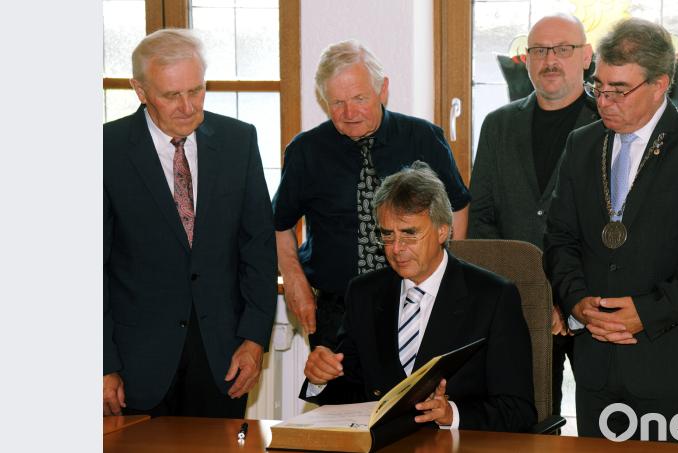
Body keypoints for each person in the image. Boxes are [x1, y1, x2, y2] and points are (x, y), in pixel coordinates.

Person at [103, 29, 277, 418]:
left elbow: (259, 248)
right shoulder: (106, 150)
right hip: (135, 362)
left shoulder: (238, 141)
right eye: (171, 95)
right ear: (140, 90)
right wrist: (102, 363)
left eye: (196, 90)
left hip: (222, 359)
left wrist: (253, 339)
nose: (187, 106)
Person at [544, 18, 678, 442]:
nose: (604, 101)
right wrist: (576, 301)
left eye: (619, 90)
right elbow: (560, 238)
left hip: (672, 365)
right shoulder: (581, 144)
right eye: (599, 86)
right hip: (595, 368)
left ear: (660, 84)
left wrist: (647, 312)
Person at [299, 161, 536, 432]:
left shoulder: (492, 297)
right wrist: (321, 378)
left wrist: (453, 414)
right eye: (387, 235)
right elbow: (348, 396)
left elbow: (519, 411)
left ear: (442, 231)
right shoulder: (365, 293)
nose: (396, 249)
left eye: (409, 234)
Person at [273, 40, 471, 351]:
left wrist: (444, 277)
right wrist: (294, 280)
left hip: (415, 302)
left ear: (383, 89)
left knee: (415, 398)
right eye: (337, 103)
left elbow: (457, 207)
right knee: (340, 399)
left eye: (359, 98)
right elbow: (279, 223)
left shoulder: (423, 138)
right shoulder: (306, 151)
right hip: (336, 310)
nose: (349, 113)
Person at [467, 13, 598, 419]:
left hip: (590, 306)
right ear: (527, 59)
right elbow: (483, 218)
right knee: (530, 422)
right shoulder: (498, 125)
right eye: (539, 50)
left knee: (602, 420)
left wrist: (567, 298)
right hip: (518, 306)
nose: (550, 60)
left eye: (563, 49)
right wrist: (526, 294)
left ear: (586, 56)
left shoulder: (608, 125)